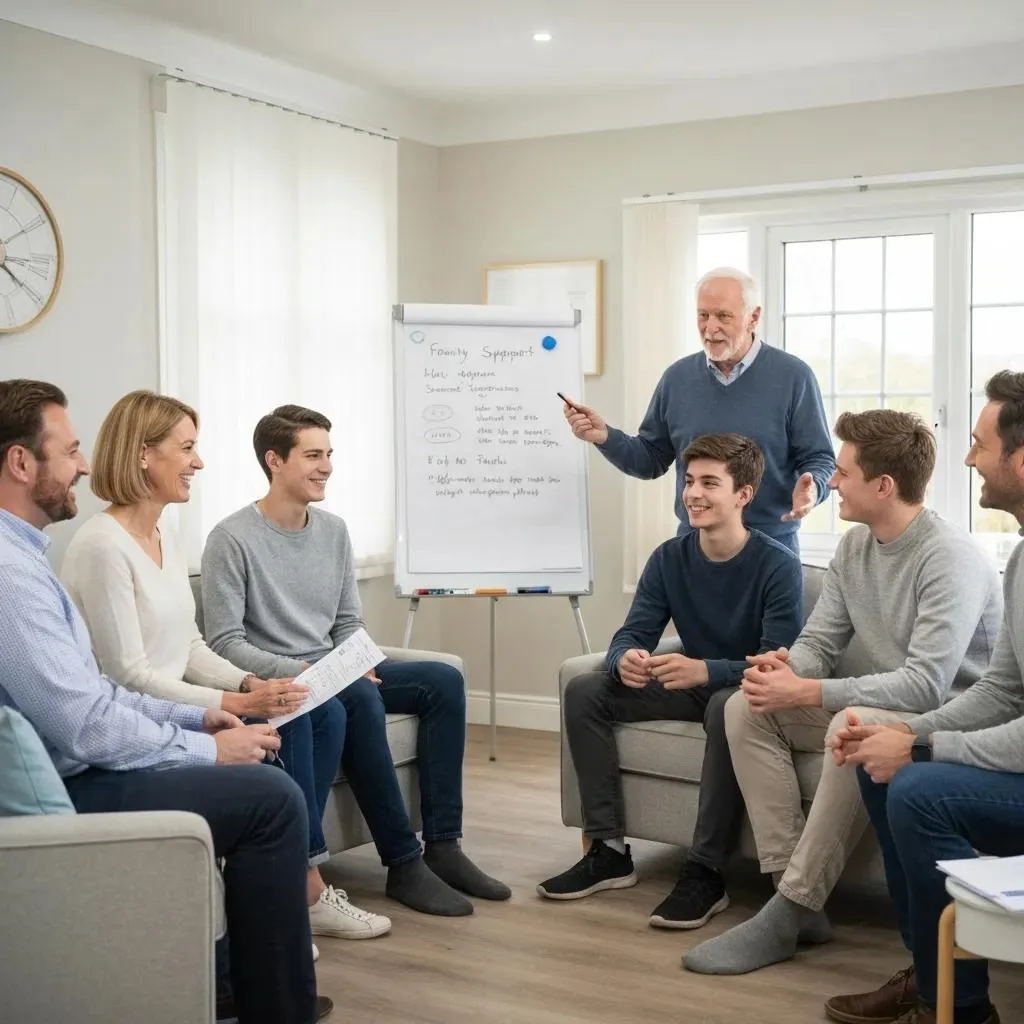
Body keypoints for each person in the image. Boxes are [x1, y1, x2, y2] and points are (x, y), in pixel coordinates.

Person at [0, 379, 331, 1024]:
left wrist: (206, 711)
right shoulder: (14, 577)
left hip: (85, 753)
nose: (84, 465)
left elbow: (95, 690)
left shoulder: (27, 558)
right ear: (20, 463)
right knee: (270, 799)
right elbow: (90, 720)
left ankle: (240, 981)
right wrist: (205, 745)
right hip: (76, 783)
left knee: (279, 747)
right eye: (68, 451)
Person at [59, 390, 390, 945]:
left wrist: (250, 682)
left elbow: (188, 643)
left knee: (315, 708)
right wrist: (234, 704)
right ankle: (303, 889)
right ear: (144, 455)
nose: (199, 462)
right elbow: (128, 676)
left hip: (177, 698)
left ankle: (301, 883)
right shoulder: (101, 546)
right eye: (187, 448)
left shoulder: (165, 534)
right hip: (142, 717)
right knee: (294, 720)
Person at [683, 409, 1003, 977]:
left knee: (846, 722)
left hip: (950, 714)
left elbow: (927, 683)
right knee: (744, 707)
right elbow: (820, 641)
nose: (831, 481)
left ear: (884, 486)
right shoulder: (856, 548)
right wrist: (782, 671)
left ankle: (792, 907)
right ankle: (790, 894)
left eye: (845, 472)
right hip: (888, 698)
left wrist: (808, 690)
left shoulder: (948, 556)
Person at [201, 403, 510, 918]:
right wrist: (301, 671)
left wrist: (358, 655)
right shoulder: (230, 539)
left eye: (329, 454)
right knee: (360, 696)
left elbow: (347, 620)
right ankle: (402, 862)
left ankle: (443, 845)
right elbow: (225, 642)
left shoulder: (334, 531)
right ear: (274, 460)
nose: (326, 466)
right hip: (289, 680)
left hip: (337, 672)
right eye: (313, 455)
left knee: (442, 680)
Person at [537, 433, 805, 930]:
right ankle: (608, 851)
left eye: (709, 482)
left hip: (743, 694)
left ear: (743, 494)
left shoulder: (777, 565)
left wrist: (709, 670)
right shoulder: (668, 558)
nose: (692, 493)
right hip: (692, 684)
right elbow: (633, 631)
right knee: (585, 691)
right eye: (688, 480)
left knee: (727, 705)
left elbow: (777, 666)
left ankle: (705, 871)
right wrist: (624, 659)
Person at [825, 370, 1024, 1024]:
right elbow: (1002, 690)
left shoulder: (957, 555)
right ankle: (933, 977)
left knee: (915, 784)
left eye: (980, 444)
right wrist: (904, 740)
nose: (967, 459)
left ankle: (960, 1011)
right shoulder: (1021, 559)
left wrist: (924, 744)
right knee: (885, 769)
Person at [561, 267, 835, 554]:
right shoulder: (677, 379)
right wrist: (604, 436)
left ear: (753, 317)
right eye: (703, 315)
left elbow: (820, 458)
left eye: (723, 316)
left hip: (772, 550)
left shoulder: (794, 376)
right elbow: (650, 459)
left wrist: (813, 487)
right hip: (694, 550)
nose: (710, 327)